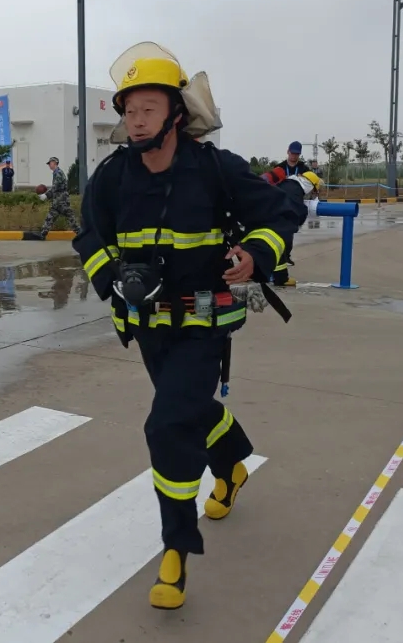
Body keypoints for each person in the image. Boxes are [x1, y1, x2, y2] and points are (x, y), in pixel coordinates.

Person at [73, 42, 305, 610]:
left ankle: (175, 550)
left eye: (148, 109)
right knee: (190, 410)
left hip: (204, 323)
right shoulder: (113, 175)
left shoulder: (215, 169)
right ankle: (231, 468)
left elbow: (282, 210)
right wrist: (113, 279)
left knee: (168, 425)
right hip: (148, 327)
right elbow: (89, 235)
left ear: (176, 114)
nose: (136, 120)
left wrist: (256, 252)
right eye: (129, 110)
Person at [269, 142, 309, 285]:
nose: (294, 156)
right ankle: (278, 266)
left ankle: (285, 256)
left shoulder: (304, 169)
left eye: (297, 154)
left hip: (294, 206)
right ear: (288, 152)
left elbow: (309, 184)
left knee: (288, 235)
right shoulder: (279, 168)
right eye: (292, 153)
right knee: (279, 236)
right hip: (280, 205)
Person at [38, 156, 80, 238]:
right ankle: (43, 234)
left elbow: (55, 187)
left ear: (54, 163)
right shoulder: (56, 173)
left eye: (50, 163)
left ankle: (81, 233)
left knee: (70, 218)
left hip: (62, 201)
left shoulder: (59, 173)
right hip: (57, 201)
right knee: (50, 217)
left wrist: (46, 195)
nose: (49, 165)